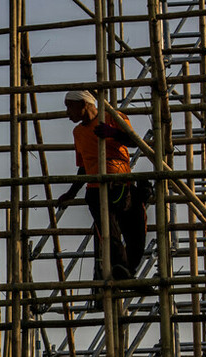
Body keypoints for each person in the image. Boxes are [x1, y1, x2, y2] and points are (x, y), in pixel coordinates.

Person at [56, 90, 146, 281]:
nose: (67, 112)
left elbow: (134, 141)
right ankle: (121, 269)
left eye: (69, 106)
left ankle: (126, 268)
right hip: (96, 189)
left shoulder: (112, 117)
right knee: (108, 232)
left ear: (83, 104)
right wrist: (71, 192)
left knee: (137, 232)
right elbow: (83, 167)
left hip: (122, 183)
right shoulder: (79, 132)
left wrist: (115, 133)